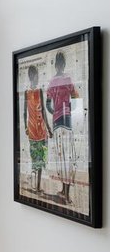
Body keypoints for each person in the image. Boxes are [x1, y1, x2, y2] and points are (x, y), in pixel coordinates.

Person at [45, 51, 81, 204]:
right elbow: (76, 96)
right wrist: (70, 110)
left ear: (56, 65)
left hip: (57, 121)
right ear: (64, 64)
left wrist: (55, 112)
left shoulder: (52, 82)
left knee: (61, 157)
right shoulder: (67, 79)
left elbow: (48, 104)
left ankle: (65, 192)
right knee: (68, 157)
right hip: (66, 121)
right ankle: (65, 193)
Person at [23, 65, 51, 195]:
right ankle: (36, 186)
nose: (38, 77)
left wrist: (48, 129)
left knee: (39, 160)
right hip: (34, 131)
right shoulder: (29, 92)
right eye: (36, 75)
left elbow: (43, 112)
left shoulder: (38, 91)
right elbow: (25, 112)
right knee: (36, 160)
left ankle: (37, 186)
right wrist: (25, 127)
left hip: (40, 130)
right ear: (32, 77)